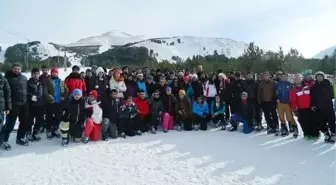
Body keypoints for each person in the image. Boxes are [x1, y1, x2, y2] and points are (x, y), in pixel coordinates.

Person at [0, 63, 29, 149]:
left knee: (24, 123)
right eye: (15, 68)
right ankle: (4, 140)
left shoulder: (24, 78)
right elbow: (6, 93)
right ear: (12, 69)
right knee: (10, 124)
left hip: (24, 104)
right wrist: (7, 106)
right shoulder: (7, 78)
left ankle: (20, 138)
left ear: (21, 69)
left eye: (18, 69)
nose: (17, 70)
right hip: (13, 105)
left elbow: (26, 90)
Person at [310, 71, 336, 143]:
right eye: (317, 76)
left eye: (320, 76)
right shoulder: (314, 87)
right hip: (319, 108)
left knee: (331, 121)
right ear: (316, 77)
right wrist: (312, 105)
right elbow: (312, 97)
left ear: (323, 77)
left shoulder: (328, 85)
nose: (319, 77)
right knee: (321, 122)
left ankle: (334, 134)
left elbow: (333, 95)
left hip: (328, 106)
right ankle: (326, 134)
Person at [44, 67, 69, 140]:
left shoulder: (61, 81)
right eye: (53, 72)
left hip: (58, 103)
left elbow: (66, 91)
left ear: (58, 73)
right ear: (51, 73)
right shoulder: (47, 81)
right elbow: (45, 92)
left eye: (56, 72)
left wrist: (64, 97)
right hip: (50, 103)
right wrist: (49, 98)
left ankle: (55, 129)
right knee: (49, 117)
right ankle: (48, 130)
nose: (54, 73)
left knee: (59, 117)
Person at [26, 68, 44, 142]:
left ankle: (35, 133)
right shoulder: (28, 83)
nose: (35, 75)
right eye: (34, 74)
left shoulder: (41, 83)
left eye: (37, 74)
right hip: (31, 105)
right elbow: (24, 92)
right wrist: (31, 96)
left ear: (39, 75)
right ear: (31, 74)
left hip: (40, 105)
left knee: (39, 120)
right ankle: (28, 133)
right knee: (30, 120)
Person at [0, 71, 11, 148]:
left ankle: (1, 141)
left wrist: (8, 107)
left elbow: (8, 93)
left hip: (1, 106)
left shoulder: (3, 79)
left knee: (0, 125)